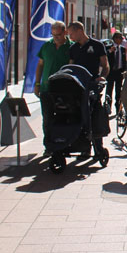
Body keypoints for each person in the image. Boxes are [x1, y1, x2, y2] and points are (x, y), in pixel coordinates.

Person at [67, 21, 110, 160]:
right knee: (79, 115)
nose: (70, 36)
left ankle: (98, 147)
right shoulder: (73, 48)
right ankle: (83, 146)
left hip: (93, 86)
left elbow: (105, 65)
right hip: (77, 88)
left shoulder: (97, 45)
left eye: (71, 33)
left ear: (79, 30)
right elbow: (70, 66)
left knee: (94, 115)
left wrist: (101, 78)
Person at [34, 21, 70, 149]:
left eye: (58, 35)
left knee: (63, 118)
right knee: (47, 119)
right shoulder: (46, 46)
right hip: (46, 89)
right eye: (53, 35)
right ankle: (48, 145)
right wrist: (37, 83)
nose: (56, 38)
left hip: (64, 90)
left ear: (65, 32)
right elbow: (40, 65)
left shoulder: (71, 47)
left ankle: (63, 144)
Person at [106, 32, 127, 112]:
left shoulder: (122, 49)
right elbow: (105, 57)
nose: (121, 40)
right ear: (115, 39)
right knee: (109, 90)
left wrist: (124, 70)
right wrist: (110, 51)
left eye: (122, 38)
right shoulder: (108, 47)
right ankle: (108, 107)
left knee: (118, 91)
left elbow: (124, 61)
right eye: (120, 38)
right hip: (111, 73)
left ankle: (118, 107)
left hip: (119, 73)